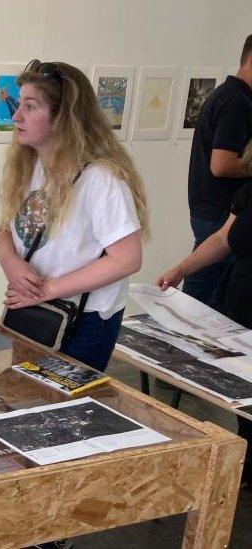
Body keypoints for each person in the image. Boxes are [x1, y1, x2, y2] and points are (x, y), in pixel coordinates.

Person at [0, 59, 149, 373]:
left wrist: (47, 289)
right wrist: (12, 264)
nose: (16, 116)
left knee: (60, 413)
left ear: (63, 116)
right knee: (23, 402)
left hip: (84, 318)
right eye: (19, 104)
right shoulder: (29, 165)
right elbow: (4, 232)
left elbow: (127, 258)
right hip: (35, 310)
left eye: (30, 106)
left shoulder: (101, 179)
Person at [157, 138, 252, 488]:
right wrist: (181, 270)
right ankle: (247, 469)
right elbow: (222, 239)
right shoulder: (248, 192)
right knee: (244, 393)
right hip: (241, 306)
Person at [182, 34, 252, 309]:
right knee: (201, 304)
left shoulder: (229, 95)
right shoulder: (236, 102)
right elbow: (221, 164)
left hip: (214, 211)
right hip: (218, 213)